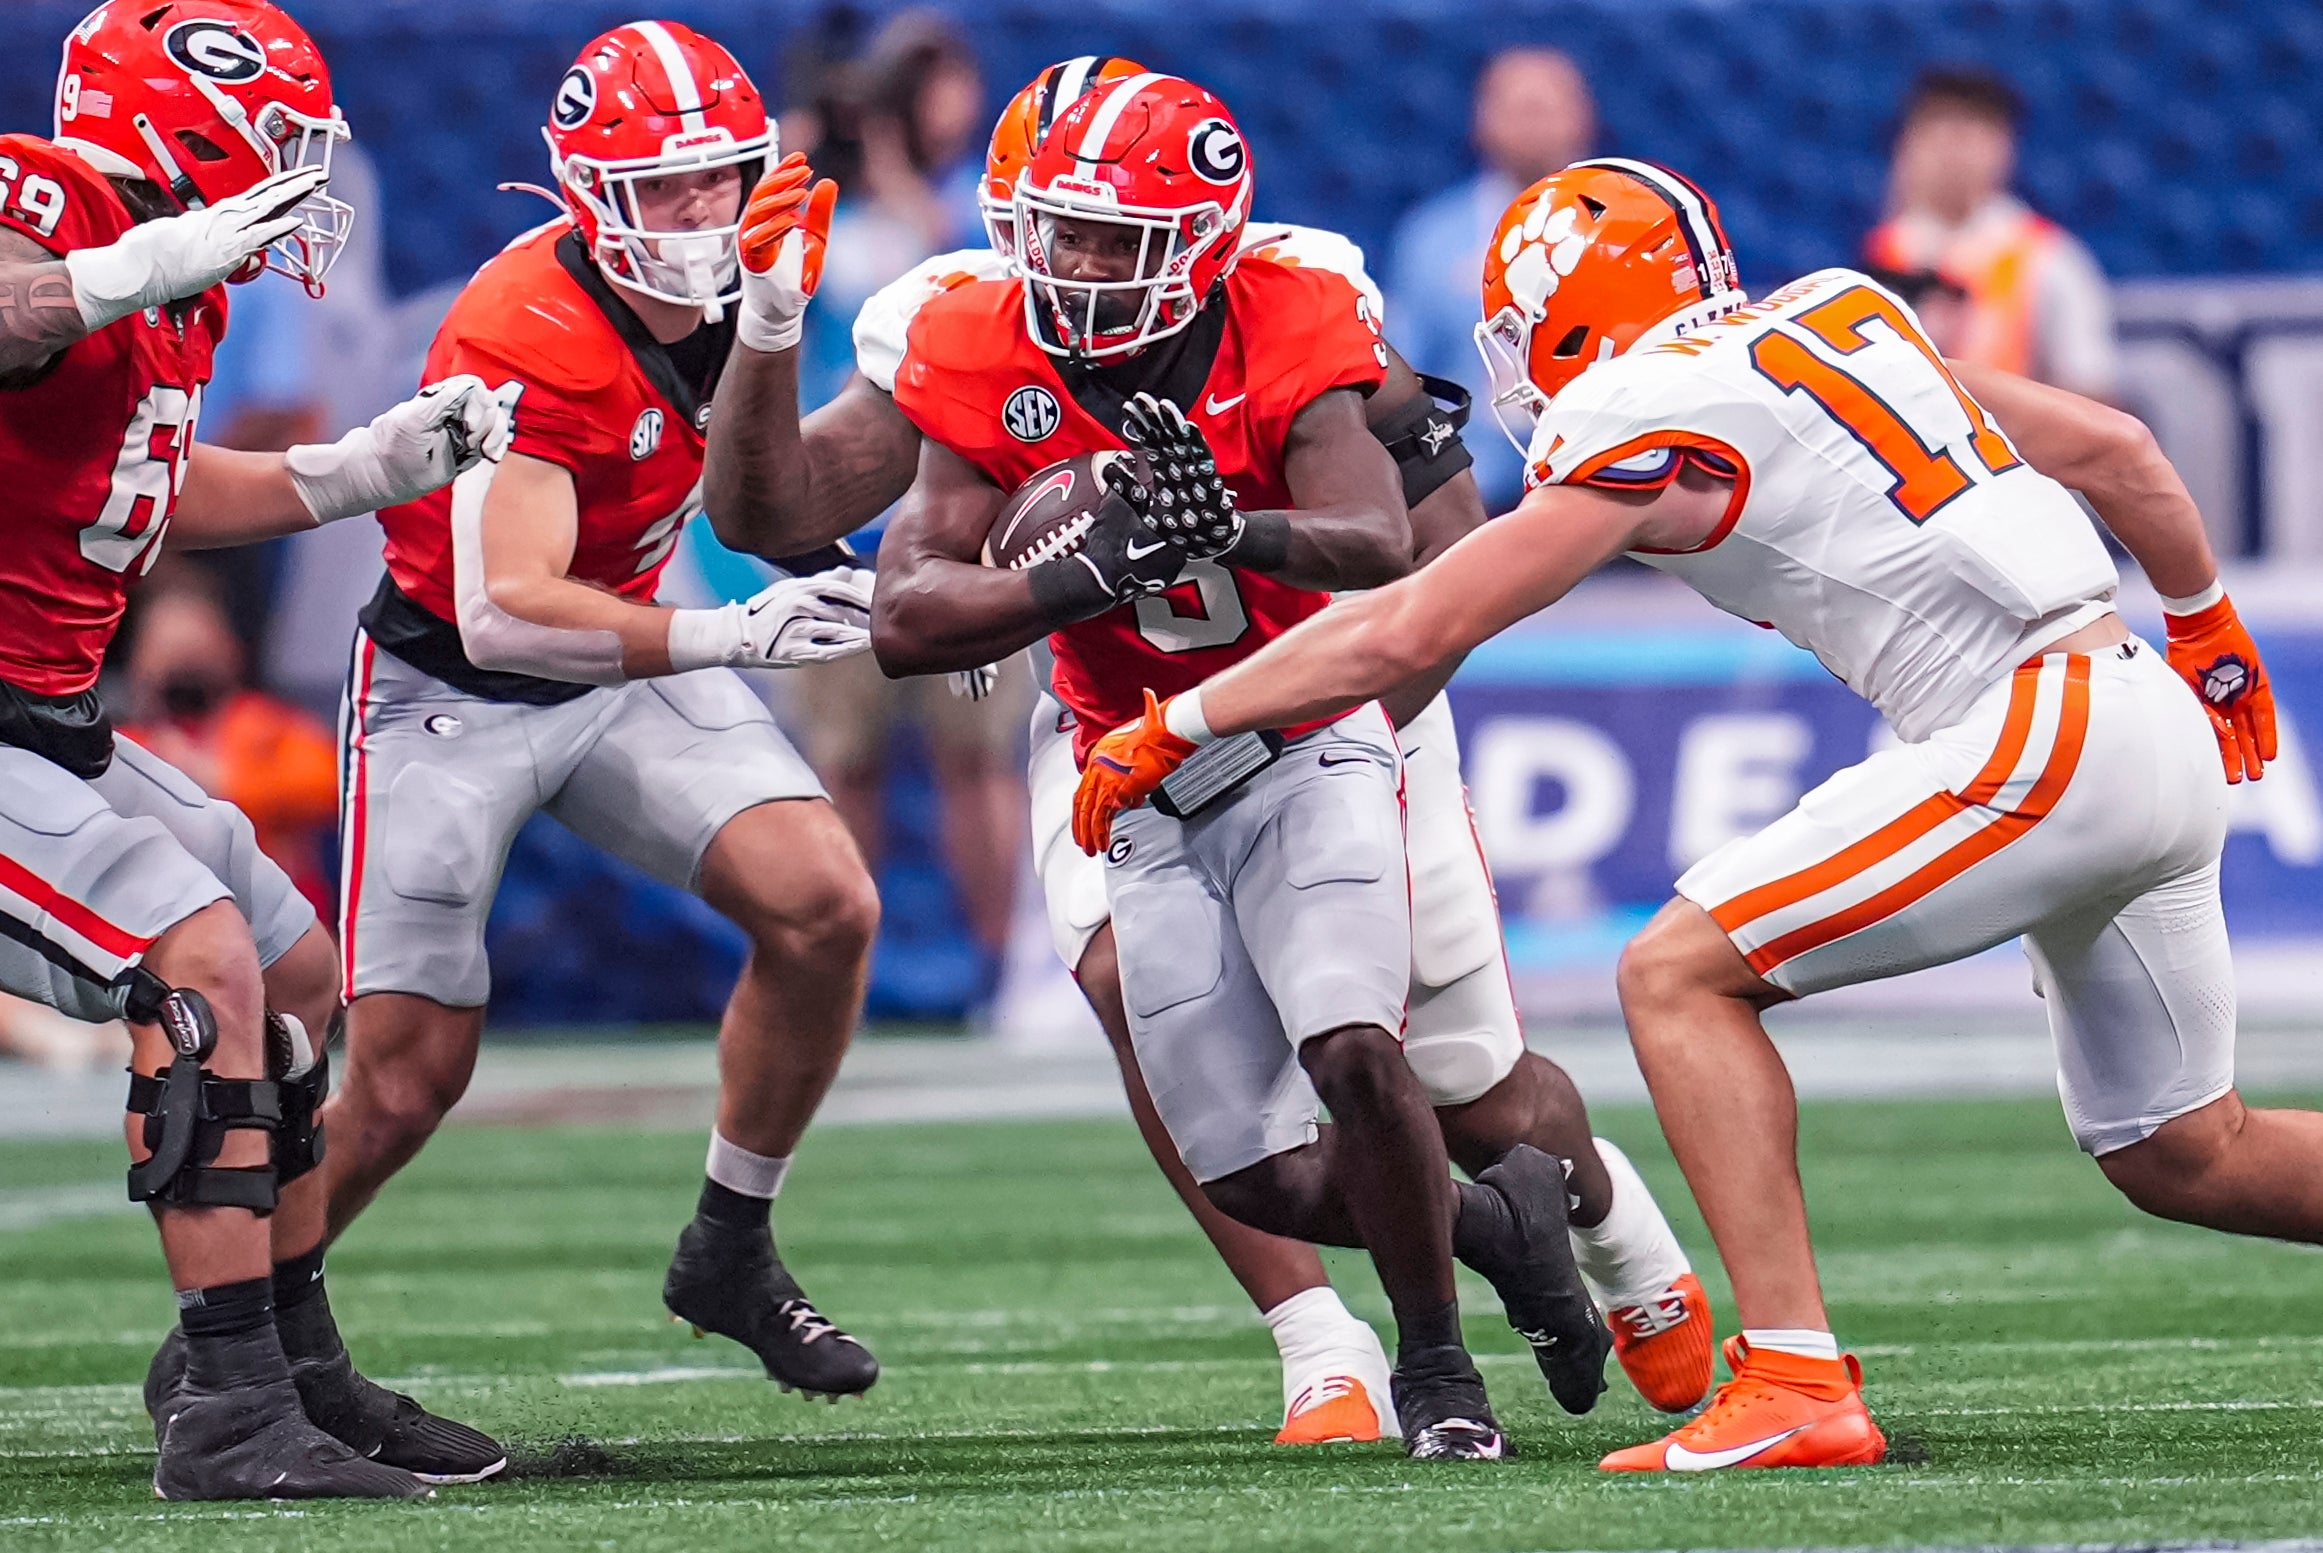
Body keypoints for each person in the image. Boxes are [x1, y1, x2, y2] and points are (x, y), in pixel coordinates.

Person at [1073, 155, 2301, 1473]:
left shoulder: (1638, 405)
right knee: (2184, 1149)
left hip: (2034, 733)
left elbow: (1414, 623)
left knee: (1674, 974)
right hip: (2137, 703)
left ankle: (1791, 1377)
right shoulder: (1838, 316)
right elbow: (2117, 450)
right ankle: (1788, 1373)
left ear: (1563, 308)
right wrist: (2209, 629)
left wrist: (1181, 720)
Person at [707, 57, 1714, 1448]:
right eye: (1040, 229)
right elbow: (783, 518)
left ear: (1189, 243)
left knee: (1456, 1084)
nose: (1064, 268)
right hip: (1117, 728)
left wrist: (1325, 702)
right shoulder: (967, 328)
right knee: (1139, 1005)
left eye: (1101, 238)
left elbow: (1433, 561)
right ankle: (1321, 1342)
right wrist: (767, 329)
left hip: (1338, 700)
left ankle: (1597, 1219)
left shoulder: (1298, 306)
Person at [311, 21, 886, 1420]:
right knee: (403, 1079)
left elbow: (753, 469)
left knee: (826, 905)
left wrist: (865, 587)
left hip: (626, 651)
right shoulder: (523, 331)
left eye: (717, 177)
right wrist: (728, 631)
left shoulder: (760, 261)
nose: (698, 212)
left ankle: (729, 1242)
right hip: (456, 687)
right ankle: (237, 1330)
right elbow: (507, 606)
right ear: (582, 193)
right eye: (662, 187)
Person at [0, 0, 510, 1498]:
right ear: (176, 116)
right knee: (198, 956)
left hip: (47, 715)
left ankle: (291, 1360)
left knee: (290, 968)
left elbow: (139, 488)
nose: (292, 173)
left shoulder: (181, 286)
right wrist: (117, 271)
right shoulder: (50, 197)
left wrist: (353, 472)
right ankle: (226, 1410)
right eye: (274, 134)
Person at [783, 11, 1025, 997]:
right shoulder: (812, 210)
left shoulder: (975, 207)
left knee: (979, 760)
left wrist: (891, 168)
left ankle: (1009, 975)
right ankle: (845, 977)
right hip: (840, 536)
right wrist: (797, 166)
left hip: (967, 527)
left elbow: (975, 274)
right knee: (847, 768)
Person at [1386, 47, 1596, 511]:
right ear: (1481, 121)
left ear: (1585, 116)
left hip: (1605, 470)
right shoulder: (1431, 237)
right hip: (1474, 484)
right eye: (1517, 108)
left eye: (1545, 107)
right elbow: (1402, 373)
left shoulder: (1630, 228)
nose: (1532, 123)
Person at [1865, 68, 2119, 401]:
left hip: (2009, 444)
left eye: (1968, 136)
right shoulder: (1885, 251)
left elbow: (2092, 391)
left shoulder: (2047, 258)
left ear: (2004, 147)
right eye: (1934, 135)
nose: (1951, 155)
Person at [118, 572, 339, 915]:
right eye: (169, 652)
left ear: (229, 651)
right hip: (159, 923)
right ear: (139, 661)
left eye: (195, 650)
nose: (184, 666)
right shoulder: (122, 746)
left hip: (277, 925)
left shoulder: (273, 726)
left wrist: (219, 778)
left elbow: (326, 787)